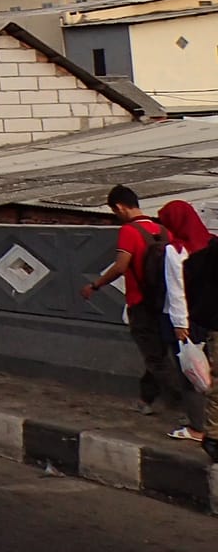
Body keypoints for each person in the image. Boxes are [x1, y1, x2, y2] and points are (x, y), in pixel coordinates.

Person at [82, 185, 191, 425]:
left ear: (120, 207)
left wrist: (95, 285)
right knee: (157, 353)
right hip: (163, 303)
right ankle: (146, 400)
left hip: (140, 302)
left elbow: (121, 266)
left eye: (114, 211)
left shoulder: (129, 231)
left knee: (155, 358)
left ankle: (187, 406)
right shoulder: (163, 231)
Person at [157, 200, 214, 446]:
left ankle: (197, 427)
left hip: (186, 320)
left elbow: (177, 288)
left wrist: (181, 325)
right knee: (210, 372)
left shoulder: (175, 250)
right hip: (208, 315)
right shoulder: (210, 242)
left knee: (191, 374)